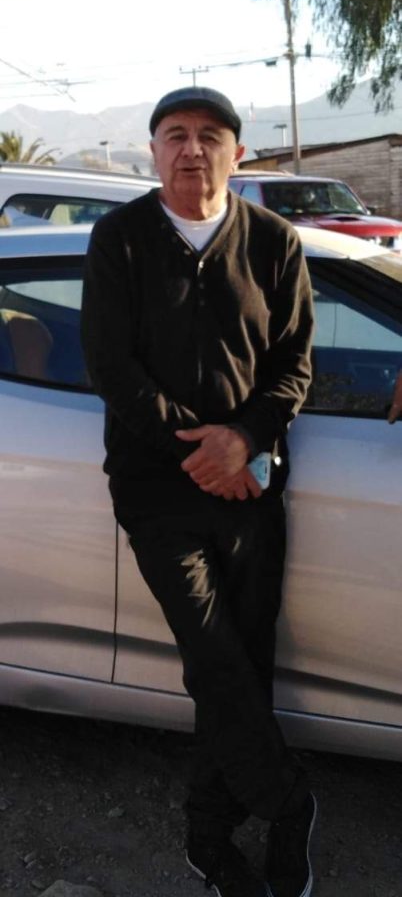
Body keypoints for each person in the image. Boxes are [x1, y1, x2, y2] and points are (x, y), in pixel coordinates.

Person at [81, 85, 316, 897]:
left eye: (209, 135)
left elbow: (294, 365)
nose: (191, 149)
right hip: (157, 488)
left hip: (251, 484)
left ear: (236, 153)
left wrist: (244, 440)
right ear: (153, 152)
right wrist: (201, 448)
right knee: (213, 655)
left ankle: (209, 841)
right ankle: (288, 803)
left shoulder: (276, 242)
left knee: (243, 662)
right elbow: (112, 368)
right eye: (174, 135)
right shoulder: (120, 239)